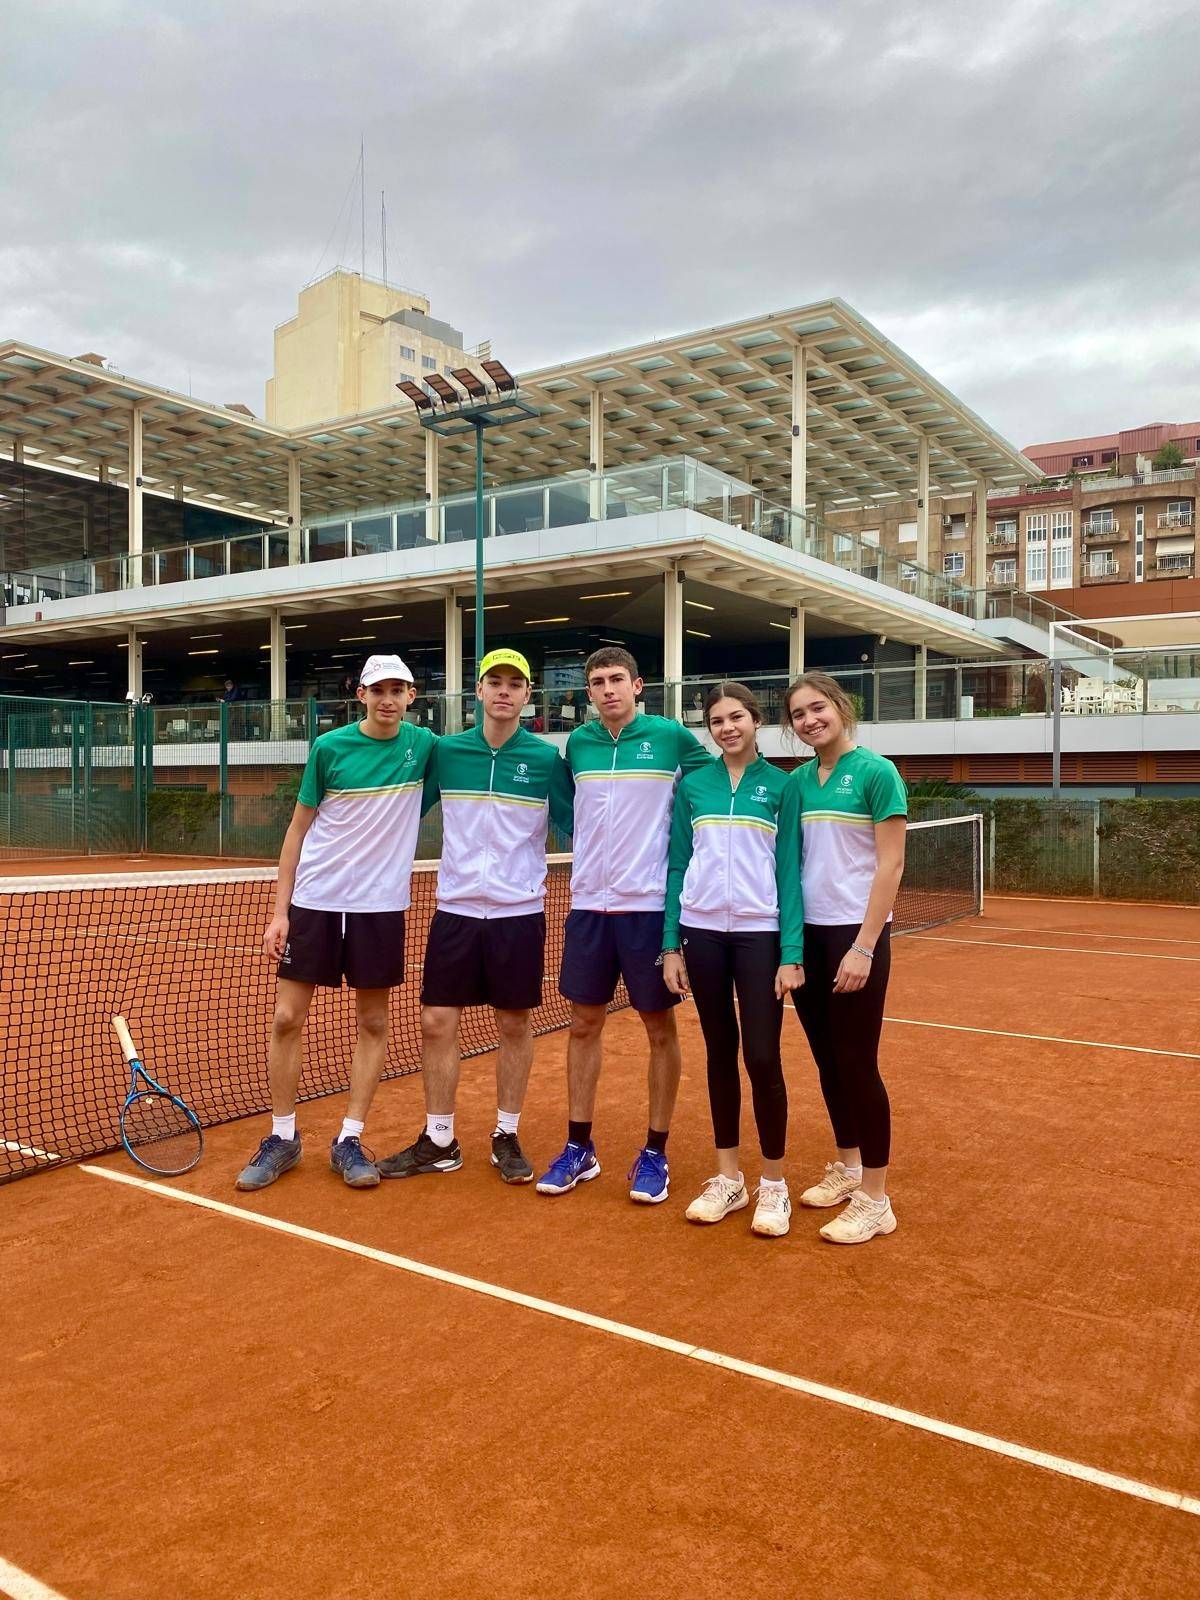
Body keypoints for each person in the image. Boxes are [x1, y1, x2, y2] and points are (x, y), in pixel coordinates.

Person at [235, 654, 432, 1192]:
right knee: (286, 1018)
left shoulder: (424, 748)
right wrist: (280, 912)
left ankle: (349, 1139)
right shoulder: (329, 748)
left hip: (379, 907)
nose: (388, 699)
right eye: (378, 690)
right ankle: (282, 1137)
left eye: (397, 690)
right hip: (316, 902)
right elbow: (297, 831)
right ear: (361, 695)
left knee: (373, 1022)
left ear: (411, 697)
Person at [378, 648, 574, 1185]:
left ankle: (506, 1133)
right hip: (456, 910)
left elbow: (584, 823)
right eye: (495, 681)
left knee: (514, 1023)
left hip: (519, 913)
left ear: (528, 695)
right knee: (436, 1021)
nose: (504, 690)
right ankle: (440, 1140)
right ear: (480, 691)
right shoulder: (447, 753)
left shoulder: (546, 761)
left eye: (515, 682)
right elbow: (398, 807)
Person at [537, 646, 709, 1204]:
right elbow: (569, 808)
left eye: (617, 679)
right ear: (588, 692)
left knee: (659, 1029)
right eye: (597, 682)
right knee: (583, 1024)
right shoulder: (579, 744)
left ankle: (655, 1151)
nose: (608, 689)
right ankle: (578, 1147)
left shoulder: (672, 739)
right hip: (589, 905)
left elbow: (714, 785)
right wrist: (589, 840)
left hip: (650, 908)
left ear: (638, 686)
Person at [660, 681, 803, 1237]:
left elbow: (789, 873)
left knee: (763, 1057)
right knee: (720, 1054)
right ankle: (728, 1179)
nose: (727, 728)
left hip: (758, 936)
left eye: (736, 717)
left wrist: (791, 952)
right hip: (701, 936)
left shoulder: (782, 787)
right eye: (717, 721)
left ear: (755, 720)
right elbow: (677, 865)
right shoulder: (693, 786)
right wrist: (670, 945)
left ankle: (774, 1184)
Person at [781, 670, 907, 1244]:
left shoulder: (877, 772)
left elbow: (891, 864)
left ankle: (876, 1200)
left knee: (858, 1064)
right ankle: (849, 1167)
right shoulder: (799, 781)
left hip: (855, 939)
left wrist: (863, 945)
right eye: (798, 714)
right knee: (828, 1061)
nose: (810, 720)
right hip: (809, 938)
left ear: (839, 707)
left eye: (817, 708)